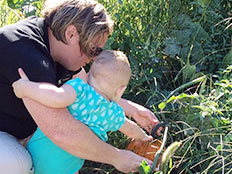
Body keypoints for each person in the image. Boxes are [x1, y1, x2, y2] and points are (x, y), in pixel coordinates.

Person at [0, 0, 160, 173]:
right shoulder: (26, 53)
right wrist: (117, 157)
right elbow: (60, 130)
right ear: (71, 34)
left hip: (19, 132)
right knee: (17, 164)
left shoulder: (54, 43)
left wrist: (133, 110)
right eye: (94, 50)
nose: (93, 59)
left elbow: (91, 92)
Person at [12, 50, 154, 174]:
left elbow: (56, 96)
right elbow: (130, 129)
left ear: (88, 75)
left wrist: (25, 88)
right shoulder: (112, 113)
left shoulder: (78, 88)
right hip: (65, 168)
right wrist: (143, 138)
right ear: (120, 90)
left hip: (36, 153)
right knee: (75, 162)